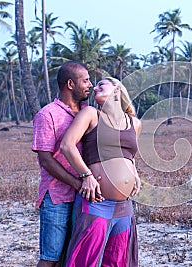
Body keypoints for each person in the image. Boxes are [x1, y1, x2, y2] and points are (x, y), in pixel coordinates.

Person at [60, 77, 141, 267]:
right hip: (96, 202)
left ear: (117, 90)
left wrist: (134, 174)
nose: (94, 88)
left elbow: (129, 155)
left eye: (101, 85)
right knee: (84, 261)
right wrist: (86, 175)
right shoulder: (91, 114)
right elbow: (67, 145)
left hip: (124, 207)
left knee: (117, 262)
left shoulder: (134, 123)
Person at [32, 61, 102, 267]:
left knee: (73, 257)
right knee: (50, 258)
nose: (91, 85)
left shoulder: (88, 112)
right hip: (57, 197)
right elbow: (45, 160)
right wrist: (79, 182)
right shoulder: (47, 115)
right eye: (86, 80)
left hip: (84, 198)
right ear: (70, 84)